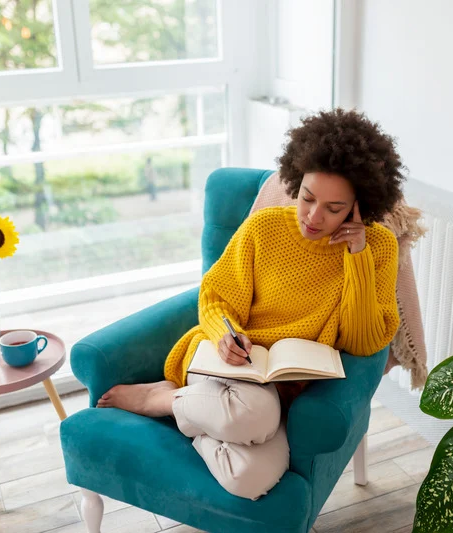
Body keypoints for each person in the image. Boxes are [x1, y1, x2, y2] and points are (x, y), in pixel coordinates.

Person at [97, 108, 404, 500]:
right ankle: (158, 398)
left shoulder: (377, 247)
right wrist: (225, 334)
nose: (313, 216)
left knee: (249, 479)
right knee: (253, 415)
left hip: (282, 387)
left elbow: (364, 342)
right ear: (297, 180)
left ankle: (188, 412)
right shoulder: (265, 228)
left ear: (360, 206)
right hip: (228, 363)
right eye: (308, 198)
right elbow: (215, 295)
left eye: (334, 208)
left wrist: (356, 255)